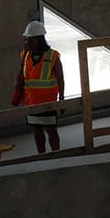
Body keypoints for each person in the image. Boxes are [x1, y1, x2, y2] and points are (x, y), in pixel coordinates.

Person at [16, 21, 64, 153]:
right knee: (37, 130)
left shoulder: (52, 56)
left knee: (51, 130)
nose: (27, 43)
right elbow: (22, 77)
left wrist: (62, 99)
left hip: (48, 103)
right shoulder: (25, 55)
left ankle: (56, 155)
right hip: (32, 102)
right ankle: (41, 155)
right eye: (26, 40)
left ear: (38, 39)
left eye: (30, 40)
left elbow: (60, 78)